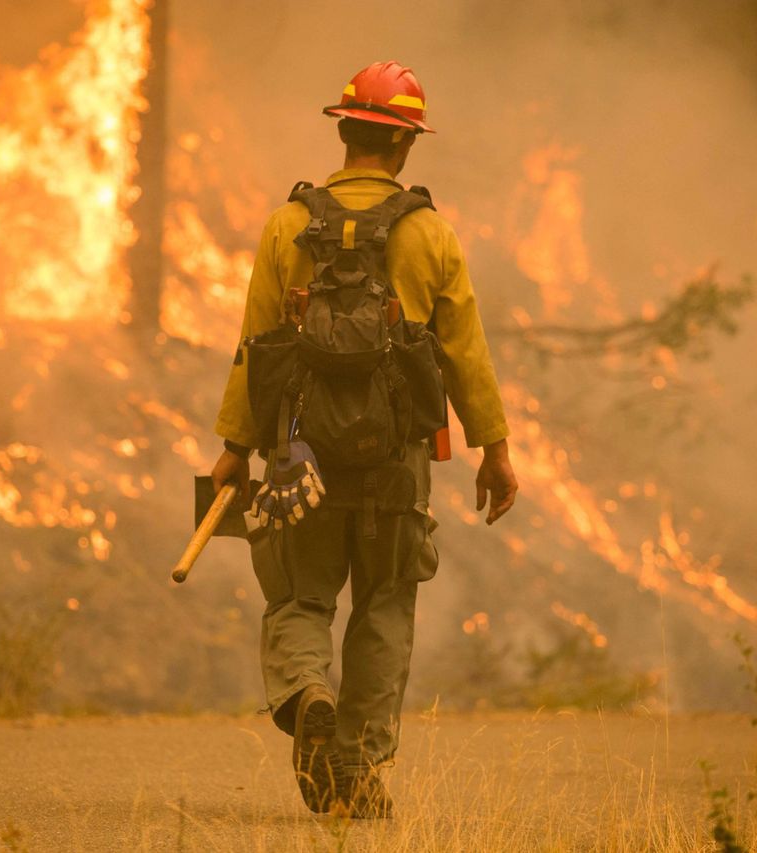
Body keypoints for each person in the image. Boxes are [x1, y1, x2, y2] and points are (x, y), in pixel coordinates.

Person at [209, 60, 517, 818]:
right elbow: (465, 353)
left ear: (343, 130)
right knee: (384, 604)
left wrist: (233, 448)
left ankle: (307, 691)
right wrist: (495, 449)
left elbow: (255, 345)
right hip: (394, 468)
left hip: (297, 456)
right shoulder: (429, 235)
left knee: (299, 599)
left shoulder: (288, 225)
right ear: (406, 145)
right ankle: (354, 765)